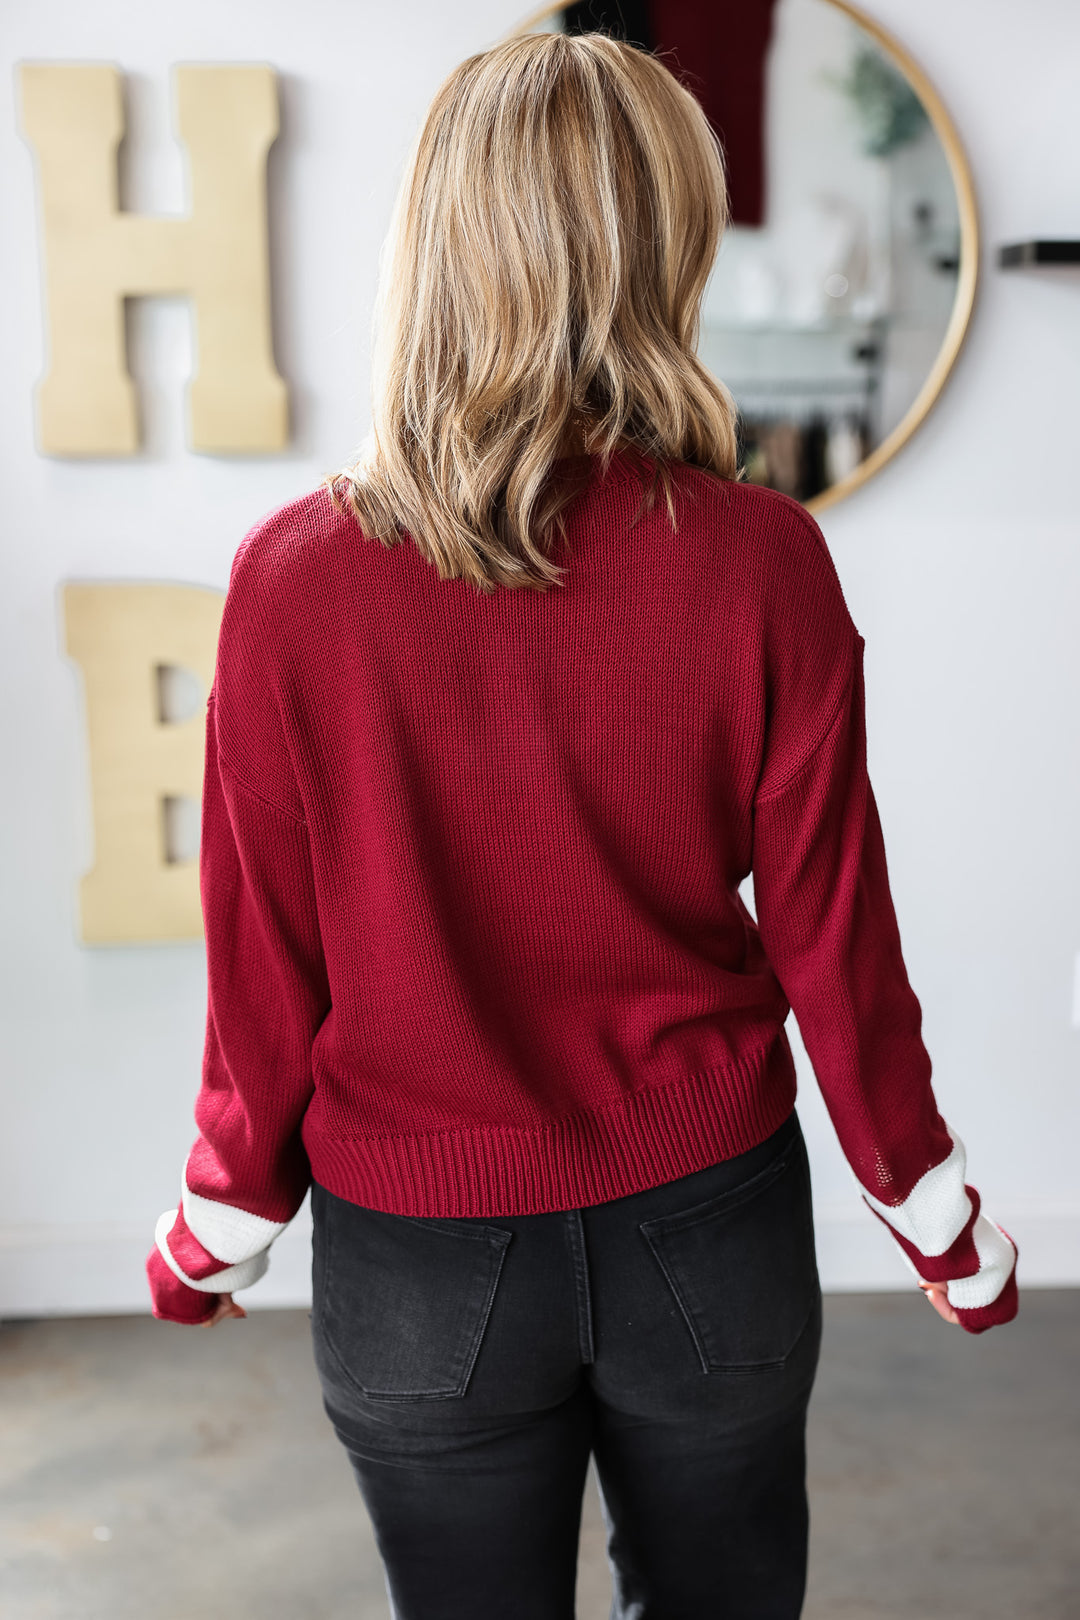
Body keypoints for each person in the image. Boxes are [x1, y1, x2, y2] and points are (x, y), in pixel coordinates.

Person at [146, 30, 1018, 1619]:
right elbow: (837, 936)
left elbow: (259, 960)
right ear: (669, 245)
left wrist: (222, 1210)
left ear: (431, 247)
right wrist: (929, 1200)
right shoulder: (764, 562)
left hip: (417, 1260)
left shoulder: (289, 585)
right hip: (712, 1227)